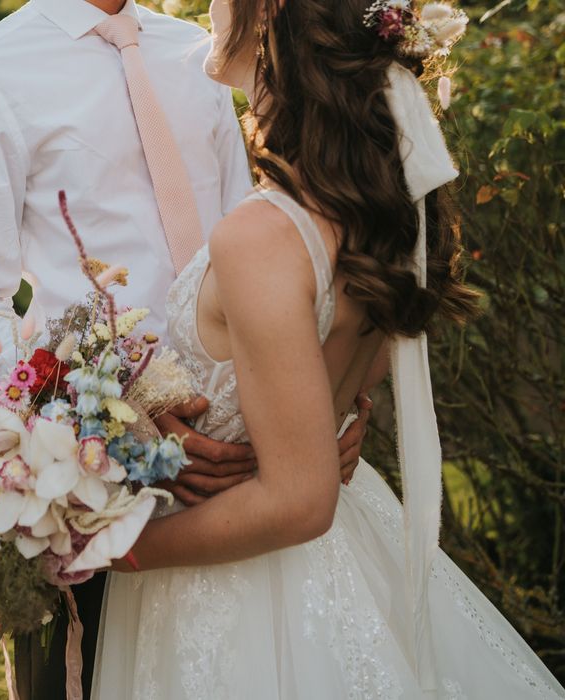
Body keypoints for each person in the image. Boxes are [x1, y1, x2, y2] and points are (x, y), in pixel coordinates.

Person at [92, 0, 565, 698]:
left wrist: (120, 550)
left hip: (239, 583)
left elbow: (299, 499)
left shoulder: (265, 236)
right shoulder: (379, 215)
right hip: (347, 537)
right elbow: (333, 389)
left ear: (271, 16)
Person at [0, 0, 371, 697]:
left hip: (253, 447)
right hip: (105, 467)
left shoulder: (205, 54)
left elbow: (259, 248)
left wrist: (329, 400)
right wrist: (113, 411)